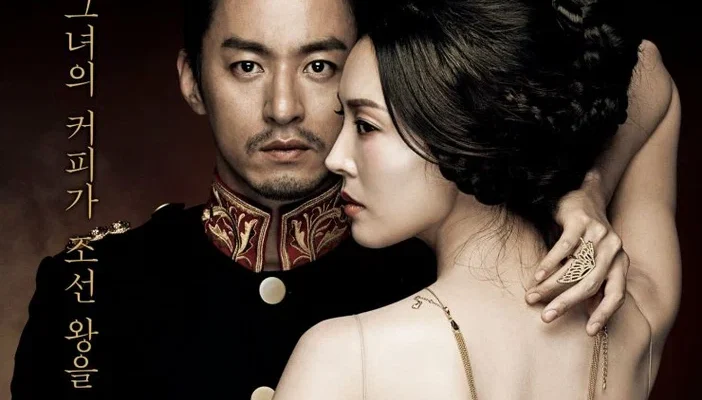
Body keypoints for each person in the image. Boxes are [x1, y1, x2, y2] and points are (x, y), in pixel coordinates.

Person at [10, 0, 661, 399]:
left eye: (320, 66)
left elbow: (639, 71)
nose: (284, 108)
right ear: (191, 79)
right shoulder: (88, 288)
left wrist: (582, 188)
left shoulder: (407, 274)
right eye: (247, 66)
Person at [272, 0, 681, 399]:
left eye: (365, 125)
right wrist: (589, 189)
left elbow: (646, 69)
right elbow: (652, 72)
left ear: (460, 133)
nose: (335, 158)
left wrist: (585, 190)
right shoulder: (637, 326)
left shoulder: (346, 357)